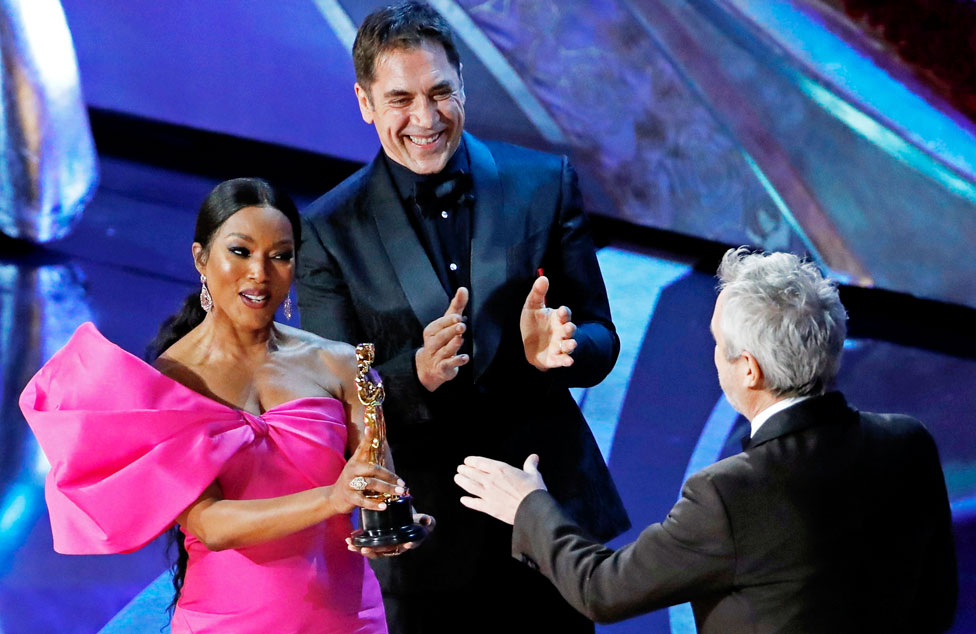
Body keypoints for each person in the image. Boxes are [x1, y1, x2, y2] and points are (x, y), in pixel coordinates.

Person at [296, 2, 628, 631]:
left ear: (462, 87)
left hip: (543, 512)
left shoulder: (542, 183)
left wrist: (562, 348)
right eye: (400, 99)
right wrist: (413, 374)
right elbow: (328, 398)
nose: (425, 119)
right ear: (365, 102)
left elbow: (600, 335)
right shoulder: (329, 229)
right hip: (423, 533)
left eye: (440, 92)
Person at [455, 248, 959, 634]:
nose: (713, 356)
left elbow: (603, 589)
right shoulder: (908, 443)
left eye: (718, 344)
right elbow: (938, 602)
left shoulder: (730, 493)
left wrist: (529, 505)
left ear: (749, 370)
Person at [20, 178, 432, 634]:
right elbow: (210, 524)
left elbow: (377, 480)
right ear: (201, 258)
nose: (260, 273)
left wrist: (397, 518)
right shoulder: (167, 385)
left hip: (349, 621)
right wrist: (331, 499)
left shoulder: (337, 363)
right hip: (226, 622)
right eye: (241, 252)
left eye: (280, 255)